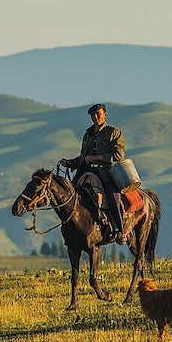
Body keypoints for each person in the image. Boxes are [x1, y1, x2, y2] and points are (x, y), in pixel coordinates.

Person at [57, 103, 127, 242]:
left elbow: (119, 155)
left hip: (106, 173)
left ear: (105, 114)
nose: (95, 117)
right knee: (69, 196)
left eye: (98, 114)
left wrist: (97, 157)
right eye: (93, 115)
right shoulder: (87, 135)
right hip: (86, 171)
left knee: (114, 198)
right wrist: (70, 163)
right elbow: (83, 157)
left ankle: (120, 231)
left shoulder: (114, 132)